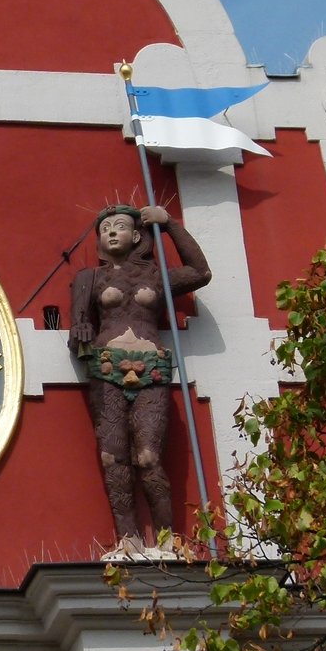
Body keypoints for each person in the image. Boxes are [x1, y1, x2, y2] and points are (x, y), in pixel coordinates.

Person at [69, 204, 211, 548]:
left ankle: (167, 539)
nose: (112, 232)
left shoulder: (157, 278)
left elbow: (200, 272)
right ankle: (128, 539)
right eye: (105, 229)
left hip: (152, 369)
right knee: (112, 456)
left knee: (148, 457)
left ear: (136, 236)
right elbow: (79, 326)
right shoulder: (90, 279)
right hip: (106, 369)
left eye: (119, 226)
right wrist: (81, 330)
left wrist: (169, 224)